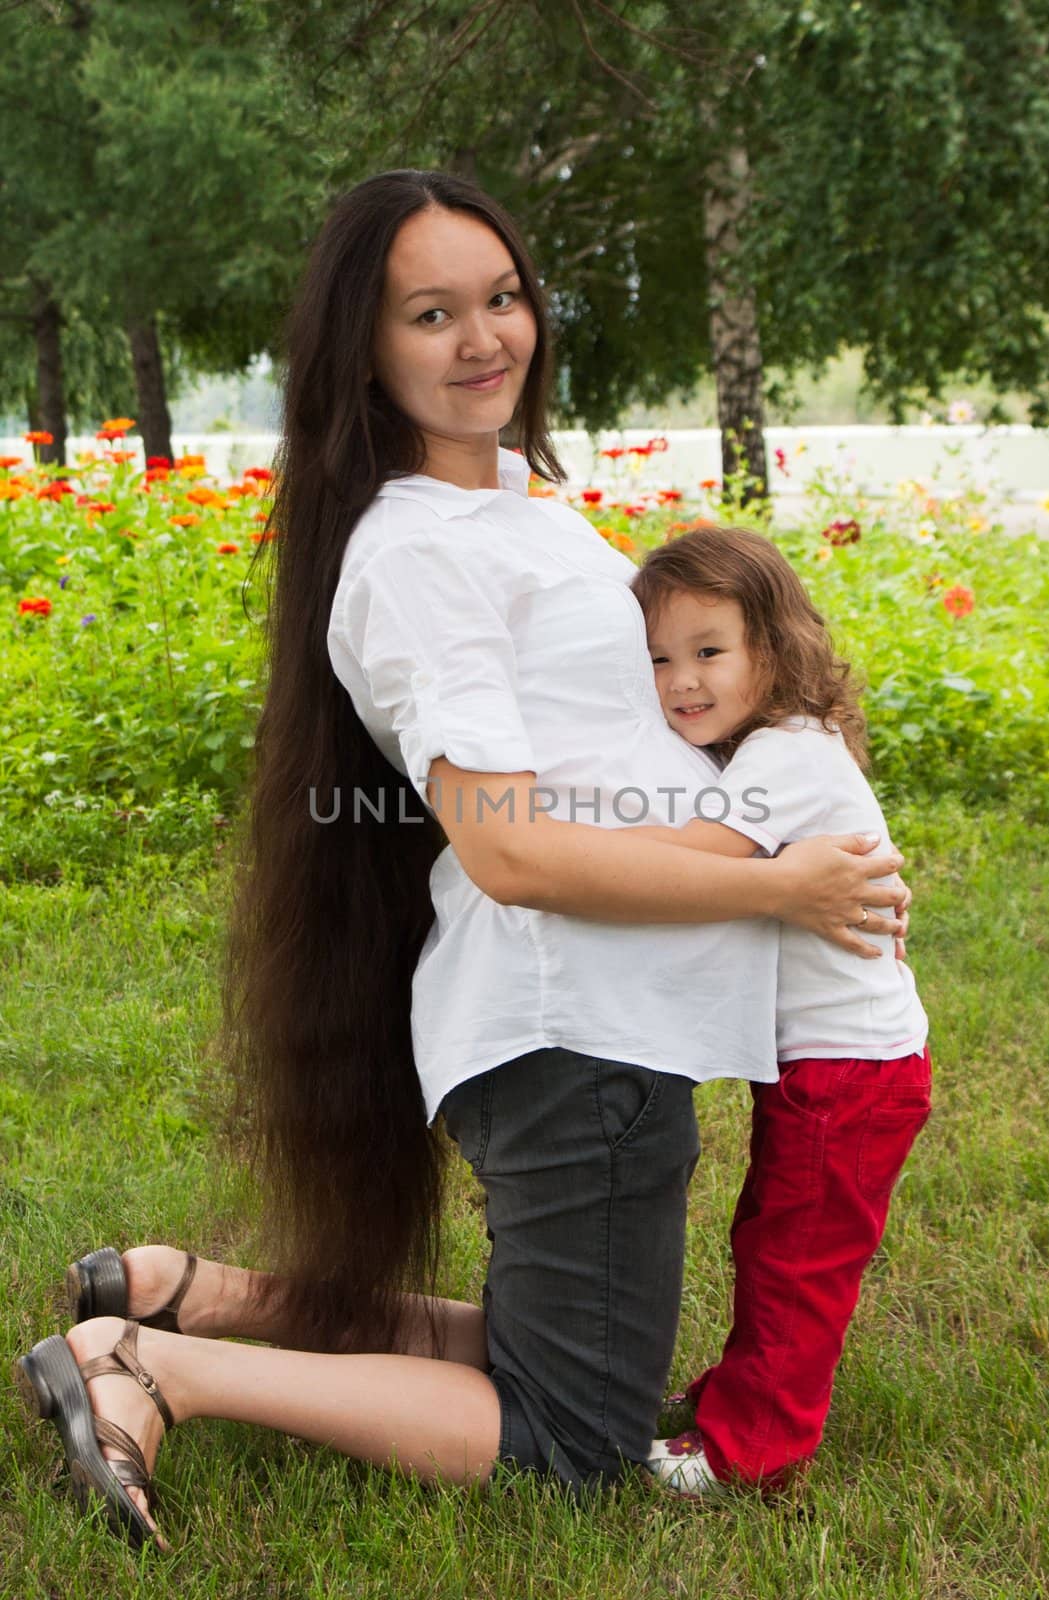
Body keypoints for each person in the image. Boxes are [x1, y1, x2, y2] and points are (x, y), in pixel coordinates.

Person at [14, 171, 909, 1553]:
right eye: (432, 313)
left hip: (598, 1026)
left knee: (579, 1356)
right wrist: (776, 883)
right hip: (573, 1030)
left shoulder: (511, 502)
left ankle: (204, 1300)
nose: (483, 337)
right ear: (362, 350)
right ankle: (156, 1370)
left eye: (500, 299)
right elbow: (504, 850)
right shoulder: (415, 552)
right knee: (572, 1440)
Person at [623, 522, 932, 1496]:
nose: (682, 681)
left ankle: (749, 1450)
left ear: (776, 645)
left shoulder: (786, 757)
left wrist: (560, 837)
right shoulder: (781, 741)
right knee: (771, 1235)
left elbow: (684, 865)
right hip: (837, 1063)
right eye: (661, 660)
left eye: (709, 651)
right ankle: (740, 1392)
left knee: (797, 1256)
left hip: (848, 1070)